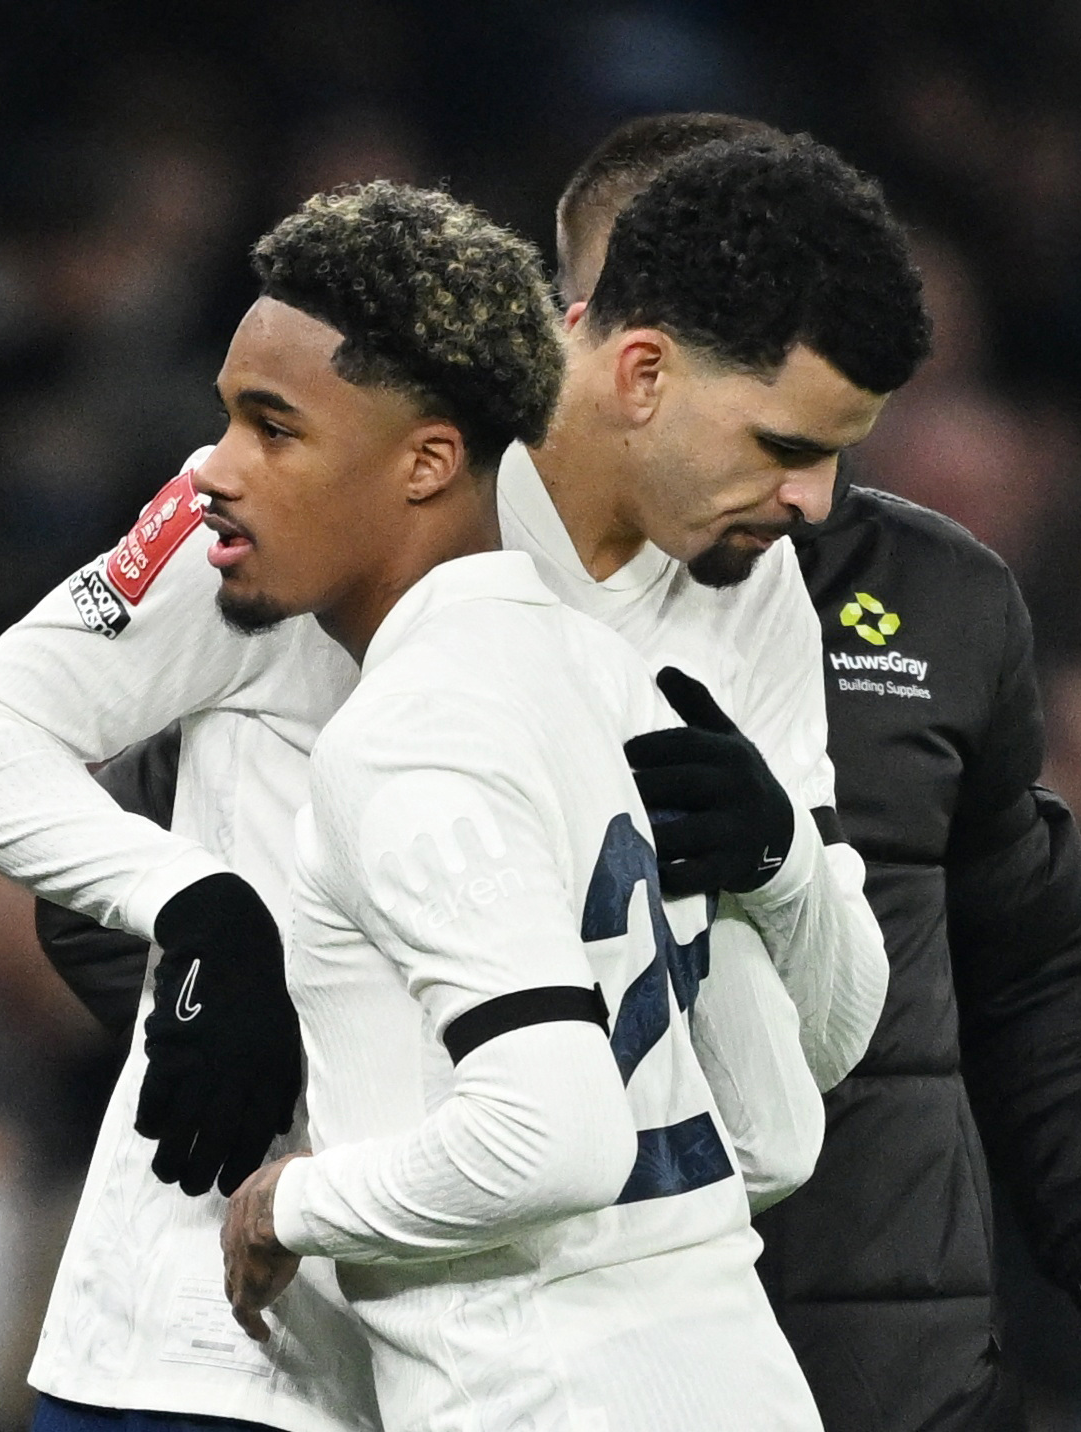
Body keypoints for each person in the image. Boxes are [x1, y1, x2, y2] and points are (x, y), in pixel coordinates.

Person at [0, 135, 924, 1430]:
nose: (817, 502)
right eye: (784, 441)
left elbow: (814, 1062)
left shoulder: (748, 592)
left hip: (519, 1377)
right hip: (215, 1352)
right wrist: (192, 902)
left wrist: (779, 868)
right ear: (642, 369)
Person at [554, 113, 1081, 1432]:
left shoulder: (939, 606)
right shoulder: (422, 586)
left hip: (898, 1390)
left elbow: (1034, 969)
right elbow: (146, 870)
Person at [188, 187, 822, 1430]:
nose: (216, 469)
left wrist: (288, 1204)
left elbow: (554, 1133)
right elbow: (782, 1130)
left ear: (427, 461)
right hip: (742, 1379)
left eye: (273, 428)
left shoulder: (412, 733)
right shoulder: (615, 679)